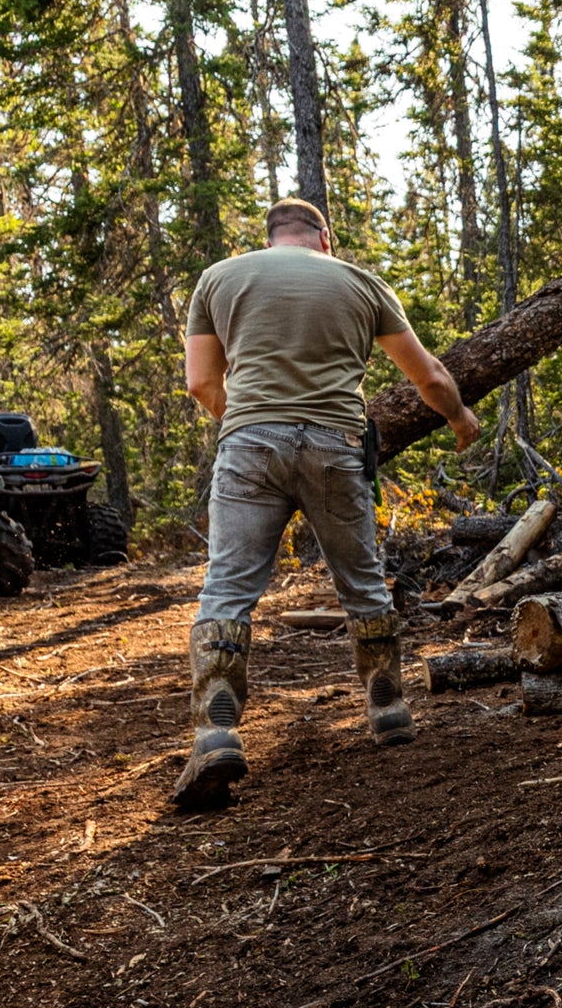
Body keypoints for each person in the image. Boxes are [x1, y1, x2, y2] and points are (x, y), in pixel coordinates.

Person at [177, 198, 481, 813]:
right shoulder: (360, 282)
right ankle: (388, 704)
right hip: (335, 447)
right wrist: (459, 415)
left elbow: (202, 383)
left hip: (248, 444)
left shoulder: (219, 278)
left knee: (228, 587)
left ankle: (215, 724)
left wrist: (245, 425)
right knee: (361, 581)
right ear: (324, 238)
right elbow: (427, 376)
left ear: (271, 237)